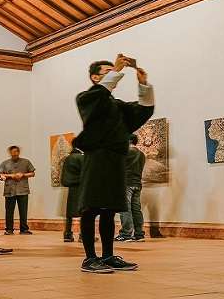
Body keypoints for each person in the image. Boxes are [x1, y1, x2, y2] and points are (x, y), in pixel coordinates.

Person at [73, 54, 154, 273]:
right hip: (97, 157)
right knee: (91, 208)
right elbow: (96, 98)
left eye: (115, 72)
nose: (115, 74)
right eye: (107, 72)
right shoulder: (86, 98)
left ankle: (107, 256)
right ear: (95, 77)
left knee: (109, 210)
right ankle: (90, 258)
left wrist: (143, 85)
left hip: (117, 159)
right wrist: (117, 70)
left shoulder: (116, 105)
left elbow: (142, 112)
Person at [115, 134, 146, 242]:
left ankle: (126, 234)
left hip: (126, 183)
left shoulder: (125, 152)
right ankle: (139, 234)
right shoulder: (142, 154)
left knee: (125, 209)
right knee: (136, 209)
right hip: (137, 183)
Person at [0, 146, 36, 235]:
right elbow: (0, 174)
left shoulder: (26, 162)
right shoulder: (5, 163)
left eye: (16, 152)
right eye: (12, 152)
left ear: (18, 152)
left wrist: (22, 174)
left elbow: (32, 173)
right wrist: (11, 176)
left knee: (23, 211)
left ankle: (24, 229)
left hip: (23, 189)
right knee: (9, 211)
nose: (14, 154)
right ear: (10, 153)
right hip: (9, 190)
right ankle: (9, 229)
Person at [60, 148, 83, 243]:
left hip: (71, 188)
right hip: (81, 188)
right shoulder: (82, 158)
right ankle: (84, 235)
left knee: (69, 213)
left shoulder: (67, 159)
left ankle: (67, 234)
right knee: (84, 212)